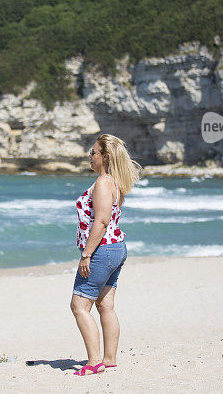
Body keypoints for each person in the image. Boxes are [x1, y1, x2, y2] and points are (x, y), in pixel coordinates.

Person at [71, 133, 141, 376]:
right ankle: (109, 359)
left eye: (93, 153)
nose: (90, 157)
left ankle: (93, 362)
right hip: (116, 248)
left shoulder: (103, 183)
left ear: (105, 156)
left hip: (102, 249)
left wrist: (86, 255)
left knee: (79, 306)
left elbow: (100, 222)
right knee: (106, 305)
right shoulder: (114, 181)